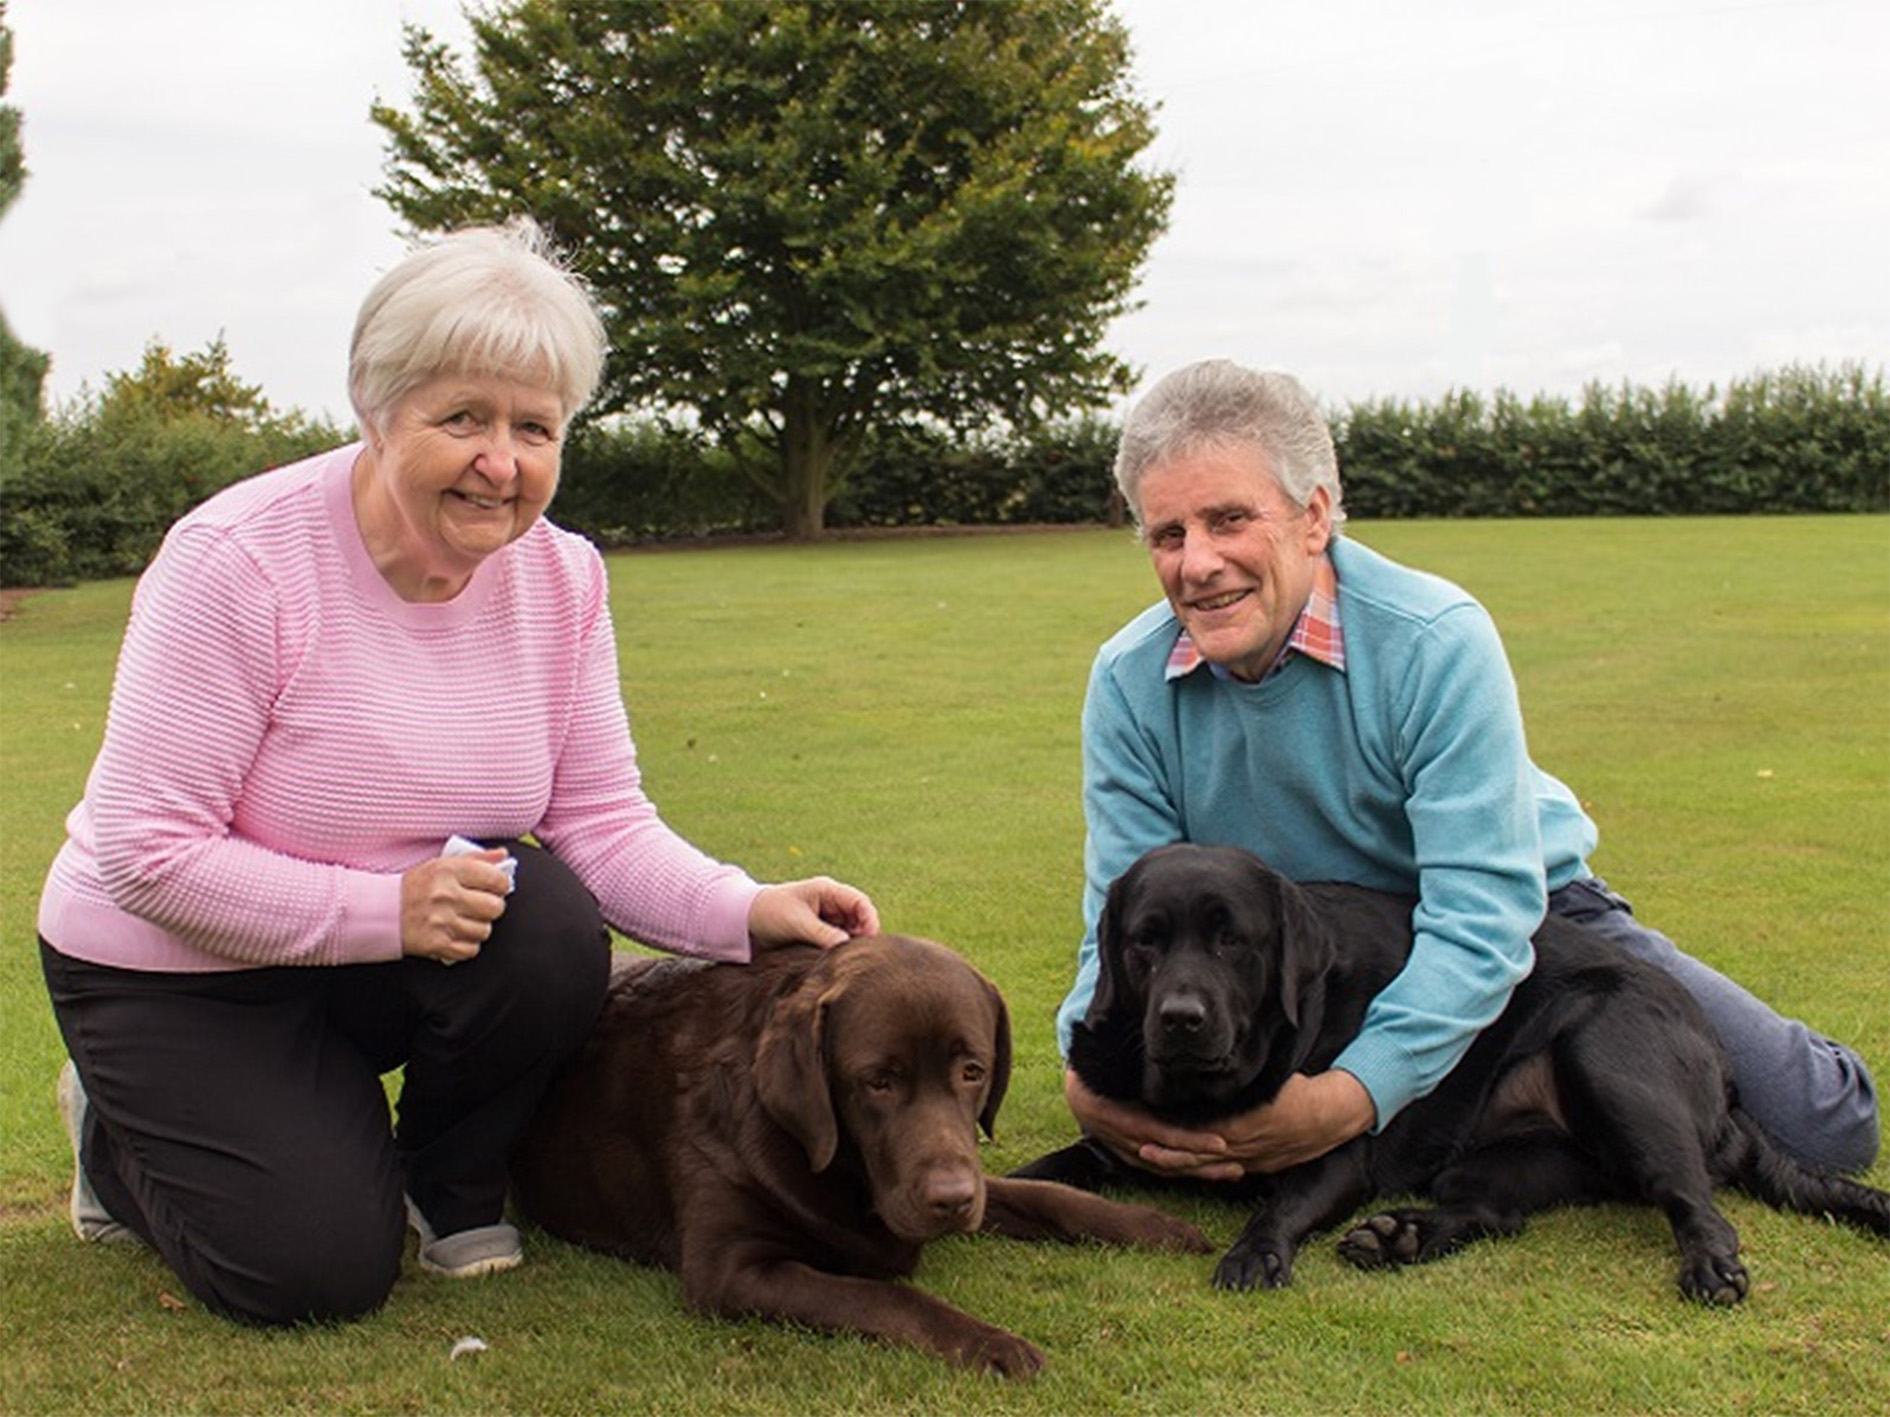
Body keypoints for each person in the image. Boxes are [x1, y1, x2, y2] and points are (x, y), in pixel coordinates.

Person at [38, 218, 880, 1327]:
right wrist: (385, 910)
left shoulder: (563, 577)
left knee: (546, 920)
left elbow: (598, 818)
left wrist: (745, 906)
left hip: (386, 951)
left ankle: (449, 1180)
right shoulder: (235, 563)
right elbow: (150, 855)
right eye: (463, 418)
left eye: (536, 426)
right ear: (376, 412)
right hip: (179, 969)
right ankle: (113, 1132)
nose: (504, 461)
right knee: (311, 1274)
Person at [1055, 357, 1879, 1186]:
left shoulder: (1434, 639)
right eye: (1168, 533)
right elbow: (1119, 919)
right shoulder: (1128, 680)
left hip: (1529, 907)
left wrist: (1351, 1096)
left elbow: (1482, 918)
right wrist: (1086, 1078)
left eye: (1229, 519)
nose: (1197, 563)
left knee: (1826, 1129)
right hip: (1316, 944)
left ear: (1314, 517)